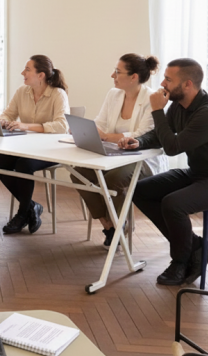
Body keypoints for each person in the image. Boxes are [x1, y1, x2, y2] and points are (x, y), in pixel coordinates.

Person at [119, 58, 208, 286]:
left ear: (188, 85)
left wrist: (156, 111)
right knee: (141, 190)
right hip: (201, 173)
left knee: (173, 204)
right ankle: (196, 247)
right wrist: (138, 141)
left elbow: (172, 148)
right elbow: (160, 136)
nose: (162, 84)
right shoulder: (179, 106)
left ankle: (180, 262)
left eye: (168, 80)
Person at [71, 54, 167, 248]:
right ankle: (110, 225)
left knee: (114, 179)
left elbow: (140, 135)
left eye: (117, 71)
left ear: (134, 77)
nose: (112, 75)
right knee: (79, 173)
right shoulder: (113, 94)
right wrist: (97, 133)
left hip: (143, 160)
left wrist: (105, 136)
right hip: (112, 155)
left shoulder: (151, 99)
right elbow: (100, 124)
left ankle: (119, 224)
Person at [0, 55, 70, 235]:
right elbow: (6, 114)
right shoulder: (22, 91)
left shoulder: (58, 94)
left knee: (23, 165)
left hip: (51, 149)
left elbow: (62, 126)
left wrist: (26, 125)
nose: (23, 73)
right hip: (26, 146)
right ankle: (31, 206)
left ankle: (22, 214)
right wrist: (4, 122)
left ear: (41, 75)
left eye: (27, 69)